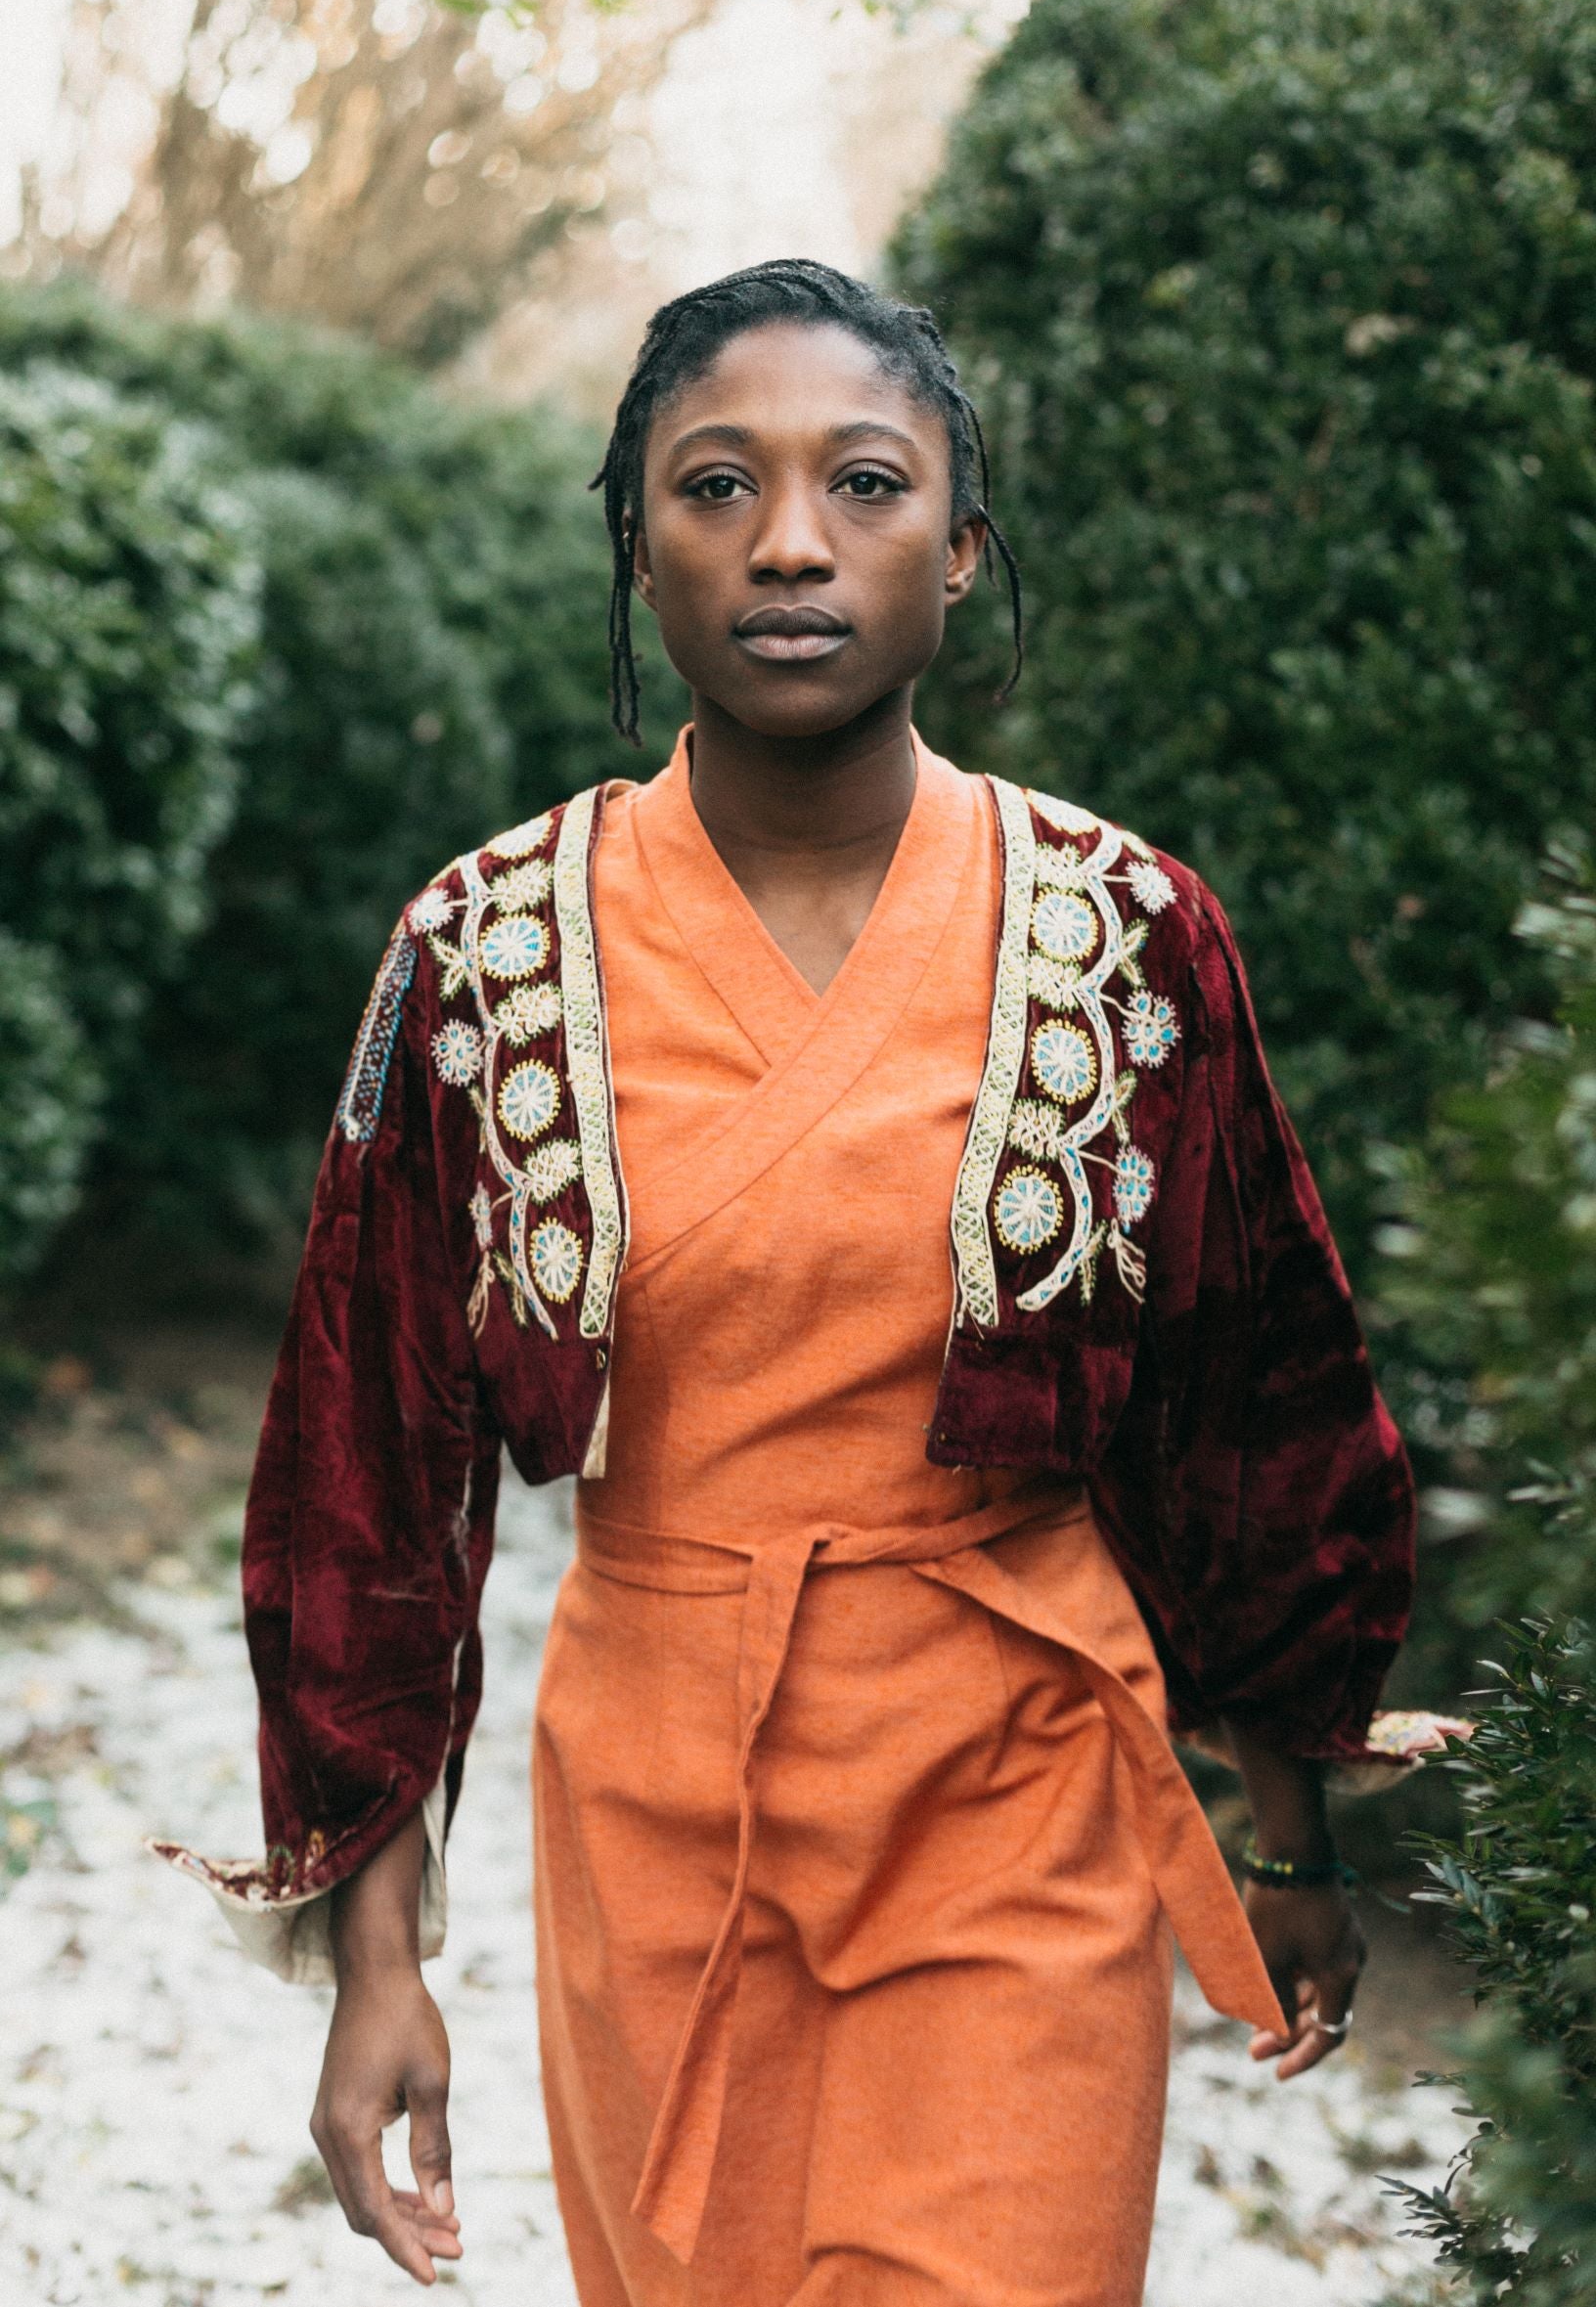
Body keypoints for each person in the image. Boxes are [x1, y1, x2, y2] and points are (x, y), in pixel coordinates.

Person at [156, 259, 1423, 2305]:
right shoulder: (484, 952)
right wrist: (374, 1964)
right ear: (637, 549)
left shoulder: (1127, 931)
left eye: (866, 483)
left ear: (962, 548)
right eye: (716, 486)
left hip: (1013, 1778)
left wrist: (1286, 1833)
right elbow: (366, 1482)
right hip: (657, 1801)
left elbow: (1258, 1404)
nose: (792, 543)